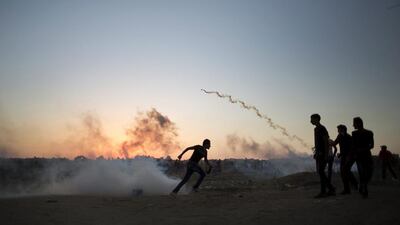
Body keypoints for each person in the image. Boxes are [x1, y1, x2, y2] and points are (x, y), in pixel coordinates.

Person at [310, 114, 336, 198]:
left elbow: (326, 141)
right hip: (319, 154)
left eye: (312, 119)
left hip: (323, 154)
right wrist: (316, 153)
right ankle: (329, 189)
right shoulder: (316, 129)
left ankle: (326, 190)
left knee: (321, 171)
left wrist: (326, 154)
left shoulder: (322, 128)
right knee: (320, 172)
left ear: (317, 119)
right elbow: (318, 143)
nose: (311, 121)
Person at [332, 124, 358, 194]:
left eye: (338, 129)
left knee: (345, 171)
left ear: (342, 130)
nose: (337, 131)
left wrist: (348, 156)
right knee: (345, 171)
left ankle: (349, 187)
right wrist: (329, 142)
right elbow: (335, 143)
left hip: (350, 156)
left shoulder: (349, 137)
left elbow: (352, 148)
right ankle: (352, 185)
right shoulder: (340, 136)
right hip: (344, 156)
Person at [352, 117, 374, 198]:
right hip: (359, 157)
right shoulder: (354, 133)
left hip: (366, 155)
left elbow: (372, 145)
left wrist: (362, 149)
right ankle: (364, 189)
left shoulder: (369, 133)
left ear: (358, 123)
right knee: (362, 173)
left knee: (368, 173)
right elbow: (353, 146)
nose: (353, 125)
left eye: (354, 123)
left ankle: (362, 185)